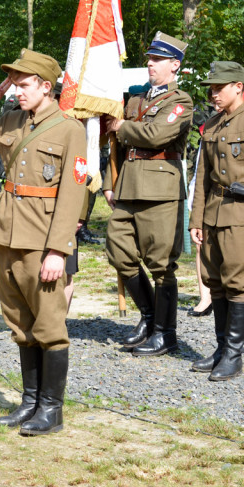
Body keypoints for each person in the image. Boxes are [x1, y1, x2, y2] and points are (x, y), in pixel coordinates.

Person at [0, 48, 86, 435]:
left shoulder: (69, 129)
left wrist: (58, 250)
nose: (17, 90)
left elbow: (72, 194)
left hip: (42, 240)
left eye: (25, 84)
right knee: (20, 322)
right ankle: (30, 402)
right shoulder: (12, 119)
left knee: (49, 324)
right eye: (15, 83)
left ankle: (51, 409)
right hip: (8, 233)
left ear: (46, 87)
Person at [103, 32, 193, 356]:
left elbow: (156, 135)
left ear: (174, 65)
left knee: (161, 263)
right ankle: (150, 316)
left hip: (160, 190)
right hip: (128, 185)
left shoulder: (180, 102)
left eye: (157, 59)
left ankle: (166, 334)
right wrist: (109, 182)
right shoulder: (135, 100)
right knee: (117, 249)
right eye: (150, 59)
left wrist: (121, 127)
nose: (150, 64)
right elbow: (116, 145)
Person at [189, 61, 244, 380]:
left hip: (241, 215)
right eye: (211, 89)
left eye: (219, 88)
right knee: (214, 281)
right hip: (212, 212)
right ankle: (221, 349)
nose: (213, 94)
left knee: (237, 282)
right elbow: (203, 177)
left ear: (238, 86)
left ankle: (233, 355)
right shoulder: (212, 125)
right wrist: (196, 219)